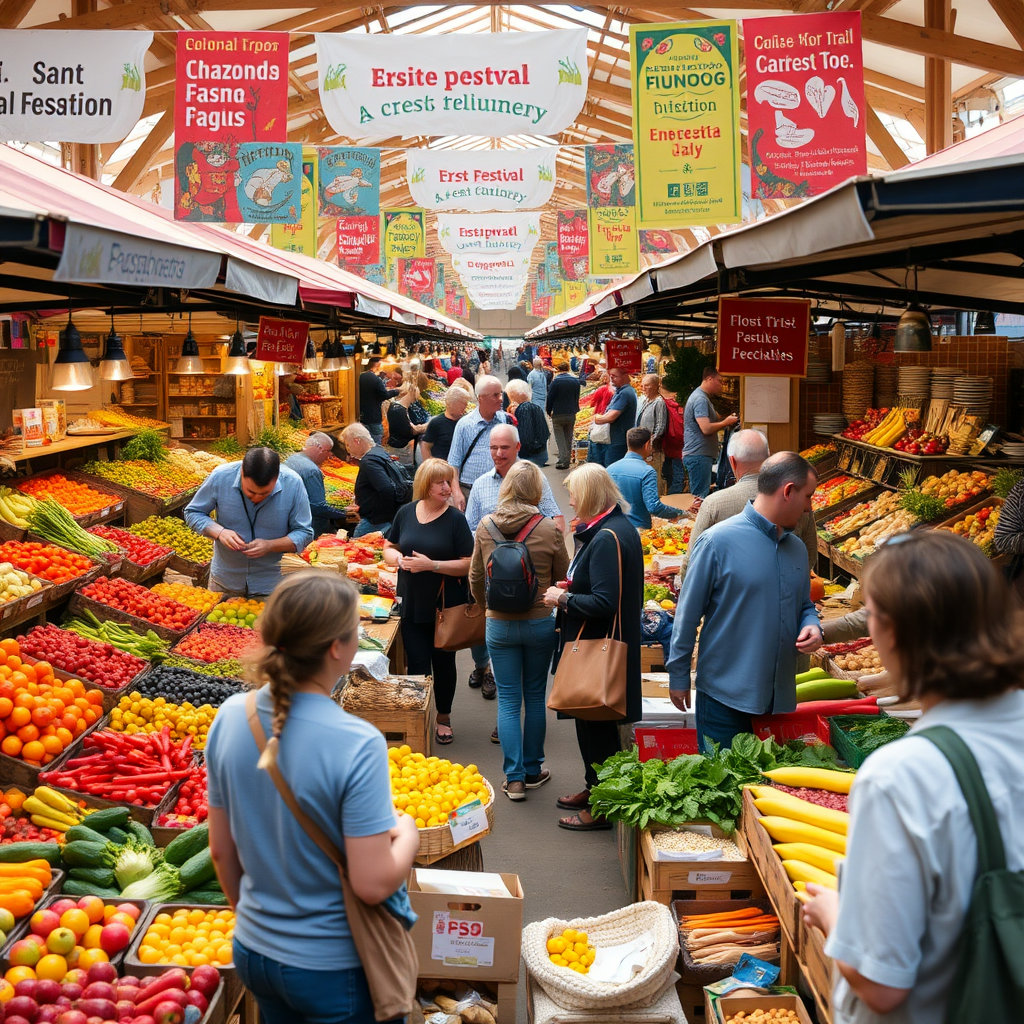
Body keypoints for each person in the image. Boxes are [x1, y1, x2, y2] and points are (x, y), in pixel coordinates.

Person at [802, 531, 1024, 1023]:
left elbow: (880, 983)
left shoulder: (904, 776)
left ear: (894, 633)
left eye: (873, 615)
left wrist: (833, 914)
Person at [205, 571, 418, 1024]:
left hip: (255, 953)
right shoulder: (357, 741)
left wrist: (261, 926)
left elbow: (222, 852)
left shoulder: (228, 717)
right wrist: (410, 835)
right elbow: (373, 882)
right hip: (333, 968)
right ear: (338, 649)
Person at [667, 452, 823, 750]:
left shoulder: (797, 550)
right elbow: (687, 615)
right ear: (788, 491)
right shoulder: (716, 542)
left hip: (777, 701)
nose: (809, 507)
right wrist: (678, 674)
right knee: (723, 790)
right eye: (808, 496)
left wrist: (812, 625)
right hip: (724, 698)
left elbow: (804, 605)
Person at [542, 464, 643, 831]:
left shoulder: (604, 538)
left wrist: (562, 598)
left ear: (588, 496)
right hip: (606, 643)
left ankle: (601, 806)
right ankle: (594, 788)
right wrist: (572, 586)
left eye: (572, 494)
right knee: (592, 723)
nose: (569, 501)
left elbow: (604, 601)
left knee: (596, 725)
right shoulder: (615, 530)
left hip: (596, 647)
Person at [470, 462, 568, 801]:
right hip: (540, 620)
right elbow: (562, 575)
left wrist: (488, 607)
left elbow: (476, 577)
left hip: (499, 624)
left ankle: (513, 779)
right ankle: (532, 768)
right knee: (535, 696)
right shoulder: (548, 528)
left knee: (509, 699)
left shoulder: (486, 526)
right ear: (536, 490)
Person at [464, 424, 565, 706]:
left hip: (512, 609)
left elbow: (555, 519)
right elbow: (469, 530)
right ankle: (484, 669)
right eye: (493, 448)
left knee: (509, 699)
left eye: (504, 448)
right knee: (532, 696)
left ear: (517, 448)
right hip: (523, 611)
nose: (498, 453)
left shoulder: (537, 479)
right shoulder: (482, 484)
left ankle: (510, 743)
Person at [383, 460, 474, 746]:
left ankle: (443, 717)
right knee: (417, 664)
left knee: (444, 663)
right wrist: (398, 560)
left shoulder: (455, 520)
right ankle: (418, 717)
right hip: (411, 601)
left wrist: (431, 565)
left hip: (443, 605)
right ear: (425, 484)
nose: (447, 488)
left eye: (449, 482)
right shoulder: (406, 513)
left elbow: (469, 563)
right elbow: (389, 546)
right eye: (440, 483)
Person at [185, 447, 313, 598]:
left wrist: (271, 545)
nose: (257, 498)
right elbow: (193, 512)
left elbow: (304, 532)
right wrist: (220, 532)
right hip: (225, 581)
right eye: (250, 492)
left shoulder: (293, 483)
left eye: (265, 493)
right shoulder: (221, 476)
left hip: (272, 585)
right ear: (241, 473)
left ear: (277, 477)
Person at [687, 429, 817, 569]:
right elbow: (809, 560)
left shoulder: (714, 504)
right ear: (768, 457)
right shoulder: (796, 503)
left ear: (732, 461)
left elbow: (691, 565)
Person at [446, 375, 511, 508]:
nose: (501, 399)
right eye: (495, 395)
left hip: (500, 490)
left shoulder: (504, 420)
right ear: (481, 397)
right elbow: (453, 462)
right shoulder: (465, 425)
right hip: (470, 491)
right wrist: (456, 491)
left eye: (501, 394)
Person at [607, 428, 686, 530]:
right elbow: (653, 507)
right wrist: (678, 512)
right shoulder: (647, 471)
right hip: (638, 530)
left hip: (613, 527)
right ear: (647, 444)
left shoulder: (610, 469)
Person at [340, 423, 407, 538]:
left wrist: (373, 511)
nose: (348, 449)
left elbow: (386, 489)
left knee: (358, 549)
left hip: (375, 521)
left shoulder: (369, 461)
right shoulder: (378, 451)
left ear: (357, 441)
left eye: (348, 444)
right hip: (382, 518)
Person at [683, 367, 739, 498]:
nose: (722, 385)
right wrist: (726, 422)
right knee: (699, 498)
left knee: (699, 495)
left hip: (700, 454)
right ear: (709, 379)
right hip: (699, 454)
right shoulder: (700, 399)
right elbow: (706, 428)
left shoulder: (703, 398)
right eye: (719, 381)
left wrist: (725, 418)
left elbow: (710, 420)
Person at [285, 432, 344, 539]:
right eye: (328, 451)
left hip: (291, 521)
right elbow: (318, 507)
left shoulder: (292, 458)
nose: (329, 455)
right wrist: (344, 513)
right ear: (320, 449)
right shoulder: (312, 470)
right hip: (311, 526)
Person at [591, 365, 637, 466]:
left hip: (617, 441)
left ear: (625, 376)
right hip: (615, 439)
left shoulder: (625, 393)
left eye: (614, 376)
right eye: (610, 376)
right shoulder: (621, 391)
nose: (611, 379)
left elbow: (611, 417)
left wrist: (597, 418)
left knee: (611, 470)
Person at [505, 379, 550, 468]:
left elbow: (525, 437)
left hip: (530, 457)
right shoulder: (535, 407)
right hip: (540, 453)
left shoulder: (524, 409)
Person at [547, 360, 582, 471]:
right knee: (568, 437)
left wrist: (548, 411)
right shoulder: (575, 381)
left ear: (558, 370)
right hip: (571, 413)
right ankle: (567, 459)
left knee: (560, 438)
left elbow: (550, 398)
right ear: (568, 368)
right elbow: (577, 397)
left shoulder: (555, 382)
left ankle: (563, 461)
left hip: (558, 413)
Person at [421, 385, 469, 463]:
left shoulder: (465, 422)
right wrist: (431, 465)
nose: (466, 406)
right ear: (452, 403)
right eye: (463, 403)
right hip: (441, 470)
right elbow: (425, 446)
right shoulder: (436, 422)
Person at [637, 374, 668, 493]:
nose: (643, 388)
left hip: (652, 448)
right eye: (642, 385)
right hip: (643, 446)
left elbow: (660, 425)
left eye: (647, 385)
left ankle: (656, 499)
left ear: (656, 386)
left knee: (654, 475)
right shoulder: (646, 400)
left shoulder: (659, 402)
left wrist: (652, 443)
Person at [359, 356, 400, 445]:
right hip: (373, 416)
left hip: (361, 416)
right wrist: (396, 391)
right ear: (377, 365)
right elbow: (384, 395)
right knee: (376, 442)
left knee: (365, 442)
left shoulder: (360, 376)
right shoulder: (375, 379)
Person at [385, 384, 425, 468]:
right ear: (411, 392)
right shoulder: (398, 410)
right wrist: (426, 426)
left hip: (402, 449)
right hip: (399, 451)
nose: (417, 398)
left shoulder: (402, 408)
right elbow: (408, 432)